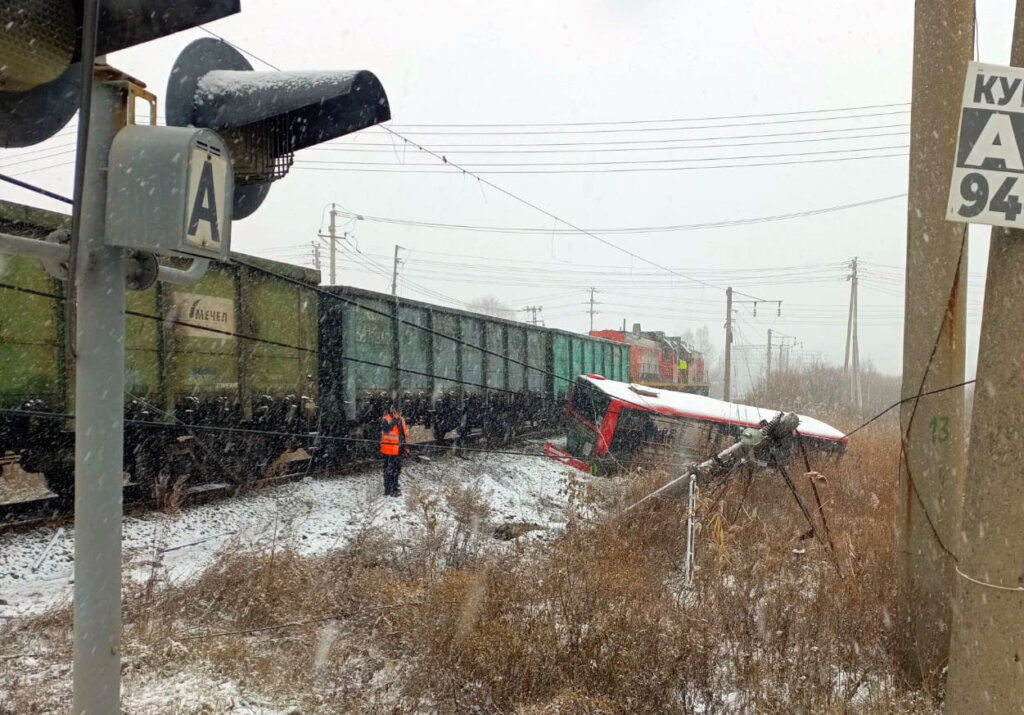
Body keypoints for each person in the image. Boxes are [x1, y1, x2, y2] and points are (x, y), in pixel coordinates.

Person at [380, 403, 408, 497]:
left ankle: (394, 487)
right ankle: (388, 489)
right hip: (389, 450)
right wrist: (393, 422)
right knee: (389, 471)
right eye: (396, 412)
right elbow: (386, 430)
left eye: (400, 413)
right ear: (392, 412)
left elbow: (403, 435)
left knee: (397, 470)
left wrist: (405, 447)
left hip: (398, 449)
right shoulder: (387, 419)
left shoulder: (401, 420)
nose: (398, 414)